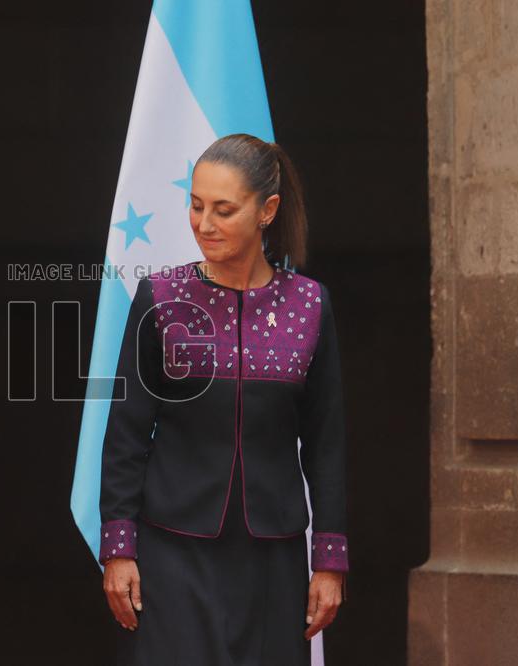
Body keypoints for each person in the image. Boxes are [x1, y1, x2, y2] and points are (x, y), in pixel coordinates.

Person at [100, 133, 348, 665]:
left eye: (223, 209)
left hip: (273, 556)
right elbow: (125, 431)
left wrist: (329, 560)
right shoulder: (161, 299)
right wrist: (119, 548)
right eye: (195, 205)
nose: (204, 224)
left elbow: (326, 442)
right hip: (172, 549)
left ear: (268, 210)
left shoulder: (310, 305)